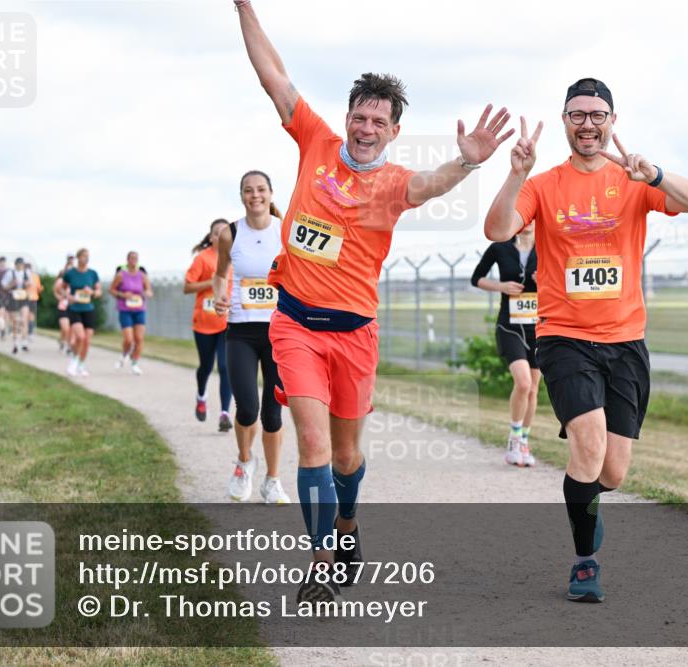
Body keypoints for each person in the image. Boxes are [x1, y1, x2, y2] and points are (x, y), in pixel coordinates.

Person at [233, 0, 514, 604]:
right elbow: (273, 77)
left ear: (393, 130)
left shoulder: (394, 183)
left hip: (355, 333)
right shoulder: (315, 140)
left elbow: (431, 183)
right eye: (359, 117)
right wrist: (244, 7)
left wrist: (467, 160)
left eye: (377, 122)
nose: (365, 129)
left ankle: (349, 525)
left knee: (346, 455)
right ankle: (322, 561)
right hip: (295, 325)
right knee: (311, 446)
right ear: (348, 118)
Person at [484, 77, 688, 603]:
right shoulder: (543, 184)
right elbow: (497, 230)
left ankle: (587, 501)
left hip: (626, 340)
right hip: (565, 337)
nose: (588, 123)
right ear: (565, 121)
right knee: (587, 445)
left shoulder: (632, 179)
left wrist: (652, 173)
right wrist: (514, 176)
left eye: (597, 114)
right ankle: (585, 563)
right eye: (577, 114)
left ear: (612, 121)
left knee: (613, 470)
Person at [212, 170, 290, 504]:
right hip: (241, 332)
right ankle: (245, 463)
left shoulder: (285, 231)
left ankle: (272, 480)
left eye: (261, 189)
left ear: (271, 194)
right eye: (248, 190)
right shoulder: (231, 233)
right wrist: (219, 296)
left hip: (280, 332)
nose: (255, 195)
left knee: (273, 413)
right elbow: (219, 275)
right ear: (241, 196)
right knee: (246, 408)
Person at [470, 222, 540, 467]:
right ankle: (514, 436)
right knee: (523, 382)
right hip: (509, 325)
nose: (527, 224)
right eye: (522, 219)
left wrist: (546, 280)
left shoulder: (548, 246)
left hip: (539, 326)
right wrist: (501, 286)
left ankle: (524, 441)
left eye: (532, 218)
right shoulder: (499, 247)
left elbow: (565, 282)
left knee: (533, 389)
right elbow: (476, 278)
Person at [185, 221, 234, 431]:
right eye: (217, 233)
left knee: (225, 367)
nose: (221, 236)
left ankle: (224, 414)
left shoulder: (236, 257)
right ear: (212, 237)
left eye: (226, 233)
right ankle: (201, 395)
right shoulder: (202, 258)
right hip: (204, 323)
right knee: (206, 366)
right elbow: (187, 286)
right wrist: (212, 282)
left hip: (227, 322)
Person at [110, 251, 153, 376]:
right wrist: (123, 295)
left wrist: (146, 294)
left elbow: (149, 291)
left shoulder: (142, 275)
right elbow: (111, 290)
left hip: (139, 309)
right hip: (125, 309)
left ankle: (134, 363)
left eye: (136, 258)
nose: (133, 260)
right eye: (131, 258)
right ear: (127, 260)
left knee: (139, 338)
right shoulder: (121, 275)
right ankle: (124, 355)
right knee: (129, 339)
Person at [63, 248, 102, 377]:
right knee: (80, 337)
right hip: (74, 309)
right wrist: (69, 296)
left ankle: (81, 364)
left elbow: (98, 291)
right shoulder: (70, 273)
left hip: (88, 309)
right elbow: (61, 288)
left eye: (88, 256)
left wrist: (92, 292)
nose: (86, 258)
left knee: (87, 340)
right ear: (78, 257)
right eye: (84, 256)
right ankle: (74, 361)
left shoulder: (93, 274)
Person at [1, 257, 32, 354]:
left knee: (24, 320)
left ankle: (25, 342)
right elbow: (4, 286)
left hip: (23, 297)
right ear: (15, 265)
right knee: (15, 321)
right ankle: (15, 343)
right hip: (13, 297)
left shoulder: (27, 273)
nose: (20, 266)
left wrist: (27, 285)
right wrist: (11, 284)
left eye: (21, 264)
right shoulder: (10, 273)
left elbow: (30, 285)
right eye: (18, 264)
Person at [53, 255, 76, 354]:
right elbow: (55, 290)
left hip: (73, 307)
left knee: (71, 328)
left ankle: (68, 345)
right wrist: (59, 297)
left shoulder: (75, 281)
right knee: (65, 328)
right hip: (63, 307)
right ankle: (64, 342)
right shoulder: (60, 281)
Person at [24, 262, 42, 347]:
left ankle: (30, 333)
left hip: (33, 298)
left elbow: (38, 288)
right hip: (24, 298)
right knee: (25, 317)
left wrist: (40, 289)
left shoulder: (36, 276)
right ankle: (24, 335)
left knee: (31, 317)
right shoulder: (23, 275)